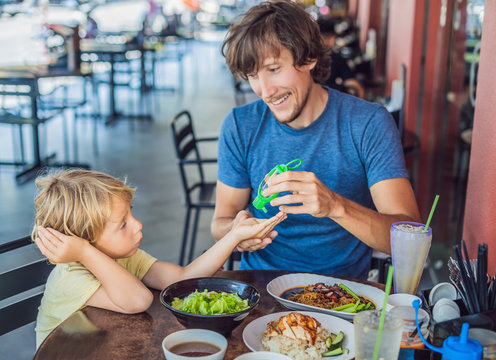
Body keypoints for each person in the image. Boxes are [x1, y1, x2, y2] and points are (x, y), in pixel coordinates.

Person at [212, 0, 420, 279]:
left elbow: (410, 238)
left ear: (309, 58)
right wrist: (236, 232)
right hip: (259, 288)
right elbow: (220, 223)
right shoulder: (240, 125)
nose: (265, 90)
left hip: (341, 291)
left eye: (273, 69)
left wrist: (336, 206)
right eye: (253, 75)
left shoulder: (367, 123)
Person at [32, 169, 286, 348]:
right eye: (122, 225)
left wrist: (233, 236)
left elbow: (183, 278)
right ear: (85, 241)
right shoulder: (70, 277)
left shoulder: (123, 257)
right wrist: (85, 252)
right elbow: (138, 300)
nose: (138, 225)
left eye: (132, 214)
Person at [317, 17, 365, 98]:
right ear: (332, 38)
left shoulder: (305, 56)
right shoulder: (335, 57)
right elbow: (354, 86)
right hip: (330, 102)